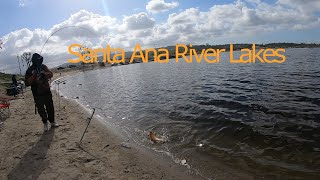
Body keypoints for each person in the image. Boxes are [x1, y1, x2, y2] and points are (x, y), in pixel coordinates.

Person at [25, 53, 58, 132]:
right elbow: (27, 83)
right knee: (41, 109)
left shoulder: (43, 66)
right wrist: (33, 76)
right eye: (37, 60)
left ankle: (52, 122)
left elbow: (51, 74)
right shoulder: (29, 70)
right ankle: (45, 122)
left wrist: (45, 74)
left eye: (40, 59)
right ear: (34, 60)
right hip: (37, 93)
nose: (39, 61)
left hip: (46, 90)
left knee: (50, 107)